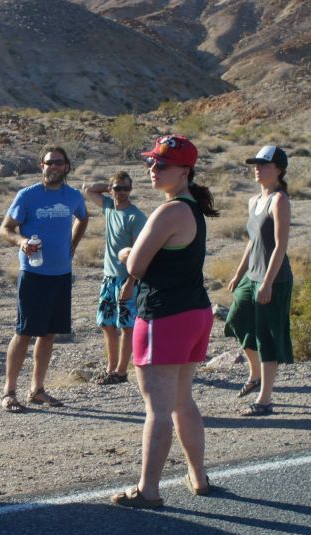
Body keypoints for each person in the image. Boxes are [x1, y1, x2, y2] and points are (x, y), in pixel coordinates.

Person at [111, 135, 217, 508]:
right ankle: (198, 476)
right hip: (195, 312)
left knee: (157, 408)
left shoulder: (170, 211)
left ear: (185, 171)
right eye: (151, 163)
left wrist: (125, 250)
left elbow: (136, 265)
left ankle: (148, 489)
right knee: (182, 400)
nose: (152, 170)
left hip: (164, 315)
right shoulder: (191, 209)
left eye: (161, 165)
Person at [0, 146, 89, 412]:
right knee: (24, 331)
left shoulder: (72, 196)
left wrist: (73, 243)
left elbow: (83, 218)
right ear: (41, 165)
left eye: (59, 163)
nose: (54, 167)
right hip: (33, 273)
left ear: (66, 166)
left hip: (61, 273)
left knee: (48, 334)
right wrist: (21, 241)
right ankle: (9, 392)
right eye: (49, 163)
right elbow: (5, 228)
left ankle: (37, 390)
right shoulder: (27, 195)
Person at [224, 145, 294, 416]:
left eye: (263, 164)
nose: (257, 168)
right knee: (236, 320)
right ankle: (255, 373)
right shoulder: (254, 201)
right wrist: (238, 274)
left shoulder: (280, 200)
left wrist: (267, 282)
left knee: (266, 335)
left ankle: (264, 399)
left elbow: (280, 246)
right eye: (256, 164)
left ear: (278, 170)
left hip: (273, 280)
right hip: (251, 275)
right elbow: (252, 243)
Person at [81, 172, 147, 385]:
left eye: (126, 188)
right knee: (107, 324)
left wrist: (131, 282)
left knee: (127, 326)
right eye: (118, 188)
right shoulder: (109, 206)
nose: (122, 192)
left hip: (126, 278)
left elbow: (140, 254)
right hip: (109, 277)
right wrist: (109, 185)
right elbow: (89, 190)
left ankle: (120, 371)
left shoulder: (135, 216)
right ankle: (111, 367)